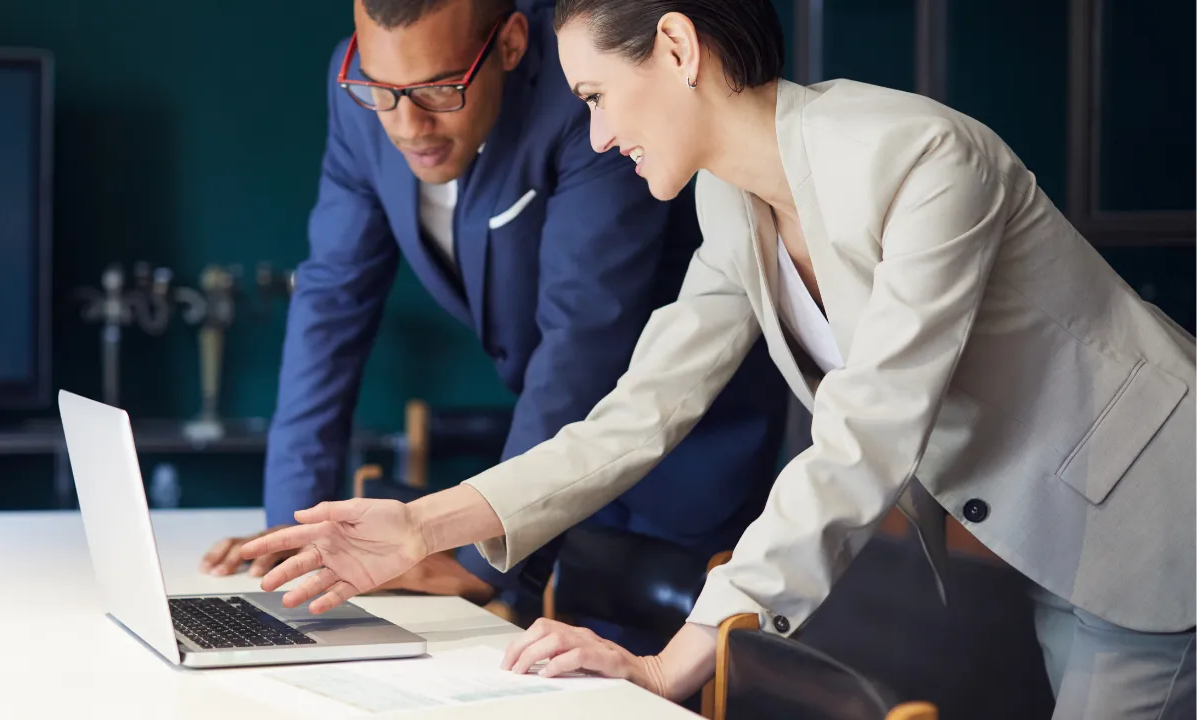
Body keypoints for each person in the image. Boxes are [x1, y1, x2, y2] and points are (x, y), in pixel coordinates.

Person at [242, 0, 1196, 716]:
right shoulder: (731, 204)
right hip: (1057, 542)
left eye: (596, 97)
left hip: (1160, 514)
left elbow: (865, 435)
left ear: (676, 47)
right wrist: (422, 524)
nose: (597, 135)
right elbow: (637, 414)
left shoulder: (920, 157)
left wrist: (675, 662)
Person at [203, 0, 787, 645]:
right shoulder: (361, 91)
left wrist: (479, 562)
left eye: (439, 89)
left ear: (509, 44)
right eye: (382, 90)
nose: (407, 125)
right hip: (546, 453)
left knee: (645, 672)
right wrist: (300, 536)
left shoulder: (584, 95)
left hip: (682, 454)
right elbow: (330, 305)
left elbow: (581, 335)